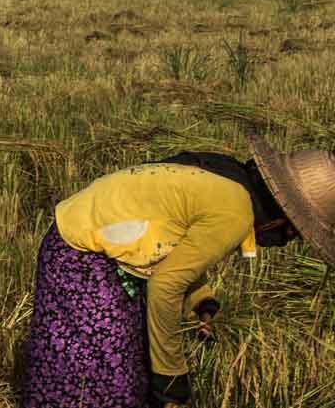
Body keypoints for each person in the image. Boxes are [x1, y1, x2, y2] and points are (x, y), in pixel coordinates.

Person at [23, 134, 335, 407]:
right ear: (283, 216)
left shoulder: (229, 181)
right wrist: (171, 377)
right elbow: (165, 286)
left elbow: (175, 244)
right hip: (80, 253)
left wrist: (201, 300)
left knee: (123, 357)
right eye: (295, 232)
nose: (288, 240)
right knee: (103, 367)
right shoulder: (236, 214)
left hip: (82, 237)